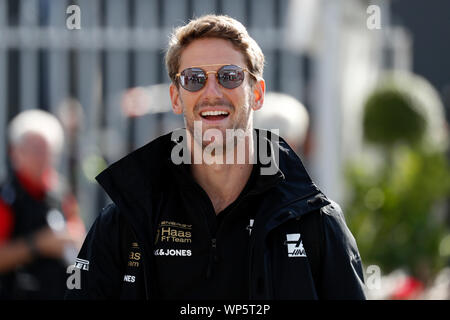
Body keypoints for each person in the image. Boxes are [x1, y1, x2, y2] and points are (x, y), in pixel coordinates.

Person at [66, 15, 366, 300]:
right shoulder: (128, 218)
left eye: (230, 76)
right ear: (175, 97)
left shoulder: (315, 221)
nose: (212, 92)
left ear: (257, 94)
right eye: (194, 78)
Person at [0, 109, 85, 299]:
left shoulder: (60, 192)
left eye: (46, 150)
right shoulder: (7, 197)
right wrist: (38, 244)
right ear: (15, 153)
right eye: (34, 150)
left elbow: (78, 237)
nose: (41, 157)